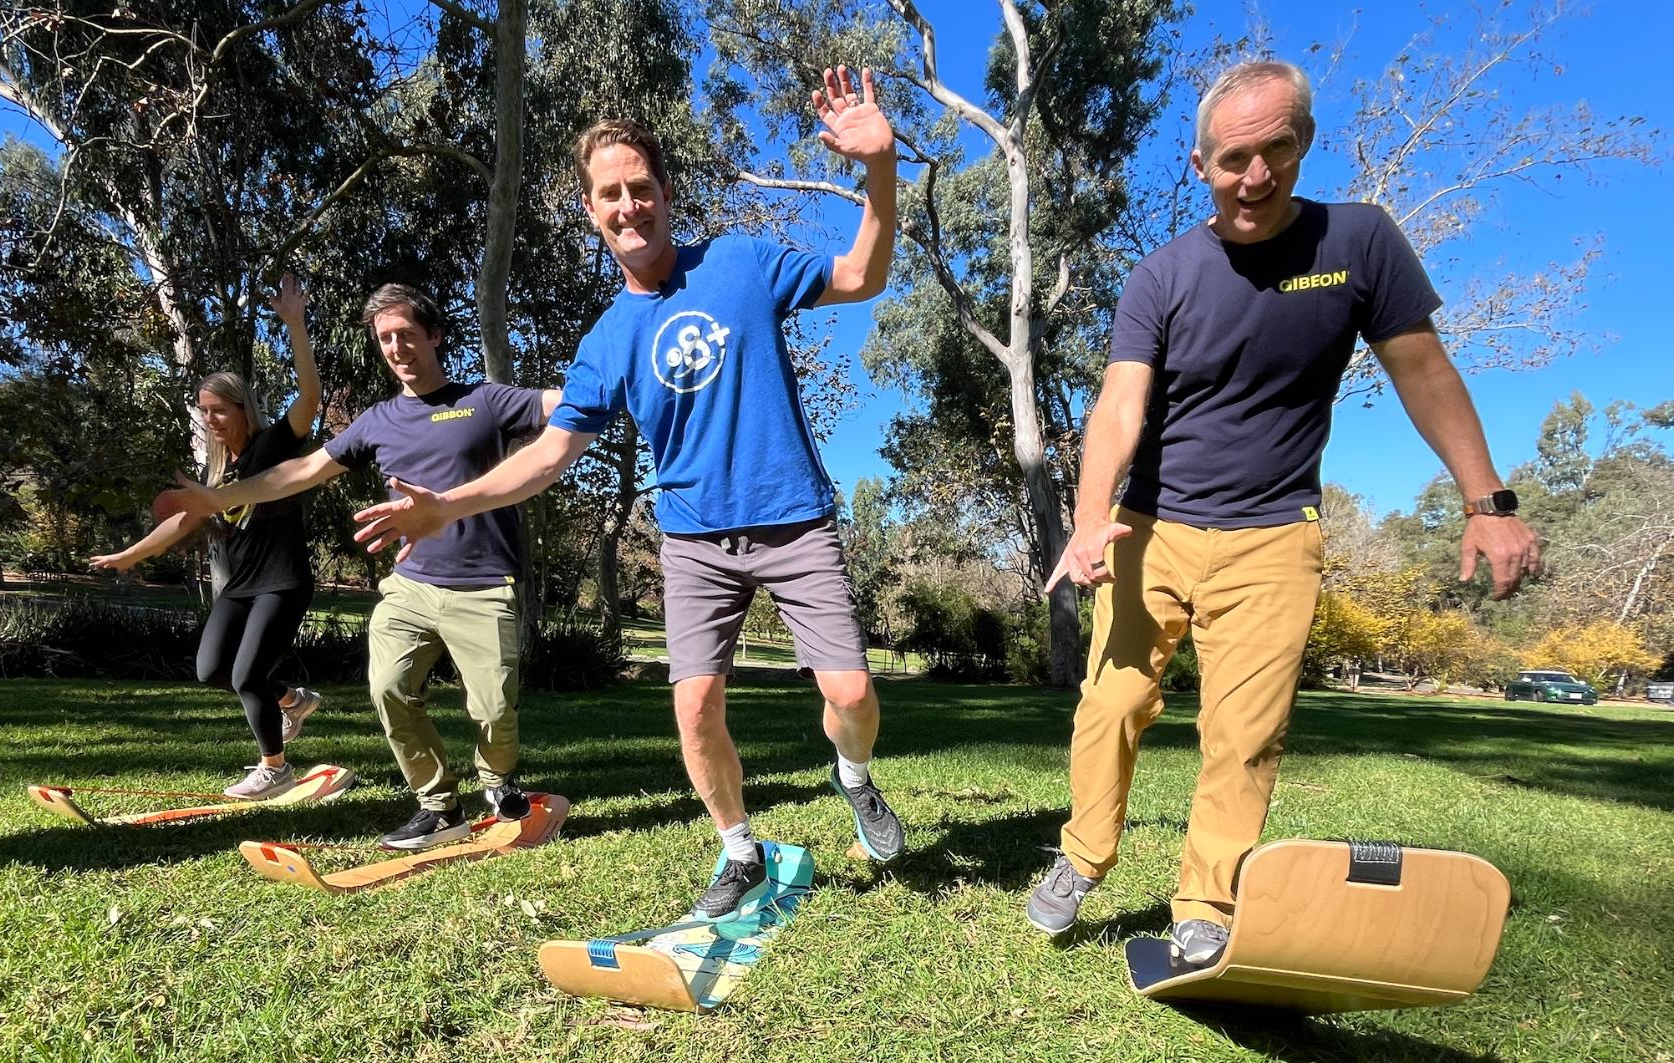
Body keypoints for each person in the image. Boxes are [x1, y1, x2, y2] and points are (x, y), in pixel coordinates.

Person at [349, 66, 904, 917]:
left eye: (640, 188)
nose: (627, 206)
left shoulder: (742, 263)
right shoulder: (606, 341)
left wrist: (877, 169)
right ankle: (738, 850)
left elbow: (863, 276)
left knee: (853, 698)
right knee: (694, 708)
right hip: (691, 540)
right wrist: (444, 506)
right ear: (590, 211)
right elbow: (548, 456)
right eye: (609, 194)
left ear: (665, 193)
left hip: (794, 520)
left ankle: (854, 774)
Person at [1024, 61, 1544, 966]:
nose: (1255, 176)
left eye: (1277, 150)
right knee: (1111, 701)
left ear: (1303, 144)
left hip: (1275, 533)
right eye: (1234, 158)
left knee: (1246, 730)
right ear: (1199, 165)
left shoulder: (1359, 242)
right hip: (1154, 525)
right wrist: (1090, 515)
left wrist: (1487, 500)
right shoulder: (1162, 276)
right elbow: (1118, 405)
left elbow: (1421, 369)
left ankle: (1206, 901)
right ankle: (1082, 856)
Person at [172, 284, 559, 850]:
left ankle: (497, 781)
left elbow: (566, 404)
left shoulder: (487, 401)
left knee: (495, 708)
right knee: (389, 688)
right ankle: (437, 806)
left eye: (406, 334)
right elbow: (300, 473)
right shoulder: (376, 421)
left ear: (434, 336)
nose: (397, 347)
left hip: (483, 583)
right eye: (385, 339)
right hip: (410, 584)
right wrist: (219, 496)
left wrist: (625, 375)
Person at [91, 273, 326, 799]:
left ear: (243, 409)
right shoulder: (219, 473)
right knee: (212, 669)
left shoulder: (275, 446)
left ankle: (275, 767)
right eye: (204, 412)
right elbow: (182, 520)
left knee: (247, 676)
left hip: (282, 581)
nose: (211, 419)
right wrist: (129, 555)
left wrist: (295, 324)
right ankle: (292, 699)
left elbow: (309, 394)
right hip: (241, 585)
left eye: (219, 409)